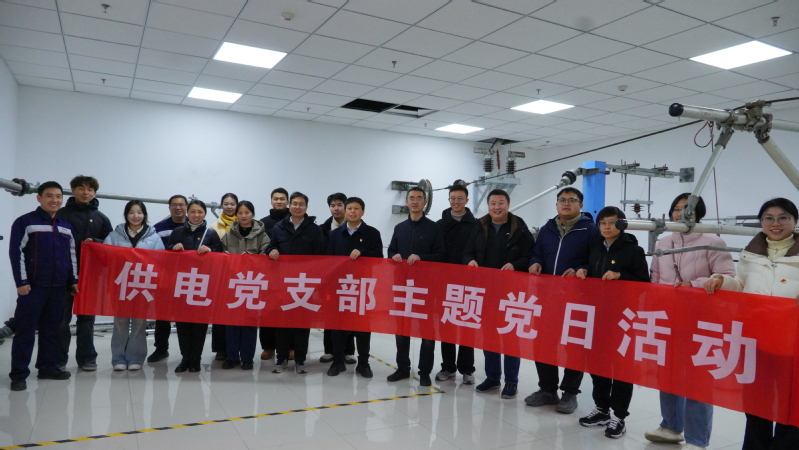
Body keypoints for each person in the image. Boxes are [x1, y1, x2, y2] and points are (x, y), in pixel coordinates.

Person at [704, 198, 799, 450]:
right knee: (757, 403)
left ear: (794, 221)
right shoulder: (751, 253)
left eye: (783, 217)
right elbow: (742, 285)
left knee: (792, 404)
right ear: (761, 222)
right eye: (769, 218)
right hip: (757, 341)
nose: (776, 223)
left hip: (793, 344)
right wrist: (722, 281)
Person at [644, 194, 735, 450]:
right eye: (676, 209)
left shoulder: (713, 241)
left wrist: (693, 285)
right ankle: (671, 426)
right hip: (669, 317)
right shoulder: (663, 241)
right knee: (668, 374)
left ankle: (697, 439)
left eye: (687, 209)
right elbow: (655, 278)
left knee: (698, 379)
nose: (680, 214)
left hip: (701, 320)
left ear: (699, 213)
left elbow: (727, 277)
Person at [575, 206, 649, 439]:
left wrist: (620, 276)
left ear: (621, 224)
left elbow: (644, 283)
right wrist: (583, 270)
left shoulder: (634, 250)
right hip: (598, 315)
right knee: (598, 363)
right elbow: (592, 269)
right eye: (603, 223)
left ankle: (619, 415)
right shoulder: (596, 247)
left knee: (621, 367)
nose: (607, 227)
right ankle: (602, 408)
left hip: (623, 318)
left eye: (612, 223)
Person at [525, 187, 600, 414]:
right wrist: (535, 262)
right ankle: (548, 389)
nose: (566, 203)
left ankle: (569, 393)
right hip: (547, 297)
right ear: (556, 204)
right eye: (562, 200)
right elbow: (537, 252)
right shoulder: (547, 229)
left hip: (577, 299)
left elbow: (596, 260)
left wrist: (581, 269)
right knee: (544, 344)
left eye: (571, 200)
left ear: (581, 205)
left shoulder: (590, 230)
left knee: (573, 346)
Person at [463, 189, 534, 400]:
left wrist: (516, 265)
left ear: (508, 204)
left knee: (510, 336)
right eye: (493, 203)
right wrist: (469, 261)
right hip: (485, 291)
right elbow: (466, 252)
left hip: (511, 293)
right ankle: (493, 377)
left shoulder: (520, 228)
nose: (497, 207)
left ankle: (511, 381)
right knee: (489, 336)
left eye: (501, 203)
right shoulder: (479, 226)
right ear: (488, 206)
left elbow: (530, 256)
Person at [8, 181, 77, 391]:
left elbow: (71, 256)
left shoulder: (66, 227)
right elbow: (16, 253)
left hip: (58, 287)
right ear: (39, 198)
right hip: (33, 287)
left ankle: (47, 368)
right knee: (25, 330)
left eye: (58, 196)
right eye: (49, 196)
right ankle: (19, 374)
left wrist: (73, 280)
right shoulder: (26, 222)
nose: (54, 200)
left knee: (52, 330)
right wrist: (21, 282)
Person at [386, 187, 446, 386]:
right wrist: (393, 256)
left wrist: (422, 258)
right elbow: (391, 251)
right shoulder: (399, 228)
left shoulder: (434, 228)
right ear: (406, 202)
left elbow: (441, 255)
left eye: (419, 198)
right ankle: (402, 368)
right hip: (402, 288)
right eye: (411, 198)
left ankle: (425, 372)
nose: (415, 201)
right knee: (402, 330)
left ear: (425, 202)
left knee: (427, 332)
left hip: (425, 289)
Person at [57, 175, 112, 371]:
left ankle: (87, 358)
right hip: (63, 275)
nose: (85, 192)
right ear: (73, 190)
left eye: (90, 189)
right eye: (81, 188)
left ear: (95, 193)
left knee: (87, 319)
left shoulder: (101, 218)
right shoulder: (61, 214)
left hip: (91, 276)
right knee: (61, 319)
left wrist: (96, 242)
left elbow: (110, 246)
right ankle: (58, 359)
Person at [266, 192, 325, 374]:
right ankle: (281, 359)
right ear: (289, 206)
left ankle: (300, 360)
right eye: (294, 204)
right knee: (282, 323)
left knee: (302, 324)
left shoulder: (314, 230)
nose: (297, 207)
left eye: (301, 204)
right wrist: (272, 250)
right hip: (283, 284)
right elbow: (271, 246)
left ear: (306, 207)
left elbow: (320, 257)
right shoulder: (279, 227)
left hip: (305, 284)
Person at [103, 200, 165, 371]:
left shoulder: (154, 237)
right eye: (131, 212)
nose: (135, 216)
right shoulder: (114, 235)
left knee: (139, 323)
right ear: (126, 215)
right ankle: (118, 359)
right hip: (120, 285)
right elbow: (106, 256)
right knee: (120, 322)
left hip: (142, 285)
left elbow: (160, 261)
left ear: (144, 215)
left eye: (139, 212)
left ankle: (136, 358)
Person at [325, 197, 383, 378]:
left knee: (363, 328)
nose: (352, 211)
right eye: (349, 208)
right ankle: (338, 361)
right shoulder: (336, 234)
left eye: (356, 208)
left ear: (362, 212)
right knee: (338, 326)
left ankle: (363, 364)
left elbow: (379, 258)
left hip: (363, 287)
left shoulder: (372, 233)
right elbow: (329, 260)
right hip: (341, 287)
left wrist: (363, 252)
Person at [167, 200, 223, 373]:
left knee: (199, 324)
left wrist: (211, 251)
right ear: (187, 213)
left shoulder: (211, 233)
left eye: (200, 212)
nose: (196, 215)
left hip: (202, 285)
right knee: (182, 324)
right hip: (182, 284)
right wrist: (173, 247)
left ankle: (196, 359)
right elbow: (166, 254)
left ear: (204, 213)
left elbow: (221, 256)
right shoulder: (177, 232)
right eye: (192, 211)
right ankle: (185, 358)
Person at [435, 184, 478, 385]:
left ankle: (467, 369)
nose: (456, 202)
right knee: (447, 326)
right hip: (445, 284)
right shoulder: (439, 225)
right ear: (449, 200)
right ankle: (448, 367)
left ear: (467, 201)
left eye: (460, 198)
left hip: (469, 284)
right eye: (453, 198)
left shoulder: (476, 225)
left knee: (467, 326)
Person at [220, 201, 270, 371]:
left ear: (252, 214)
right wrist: (223, 256)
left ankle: (247, 358)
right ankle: (232, 356)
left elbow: (266, 258)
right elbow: (220, 256)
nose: (243, 216)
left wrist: (252, 258)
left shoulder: (263, 236)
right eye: (240, 213)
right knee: (231, 322)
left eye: (247, 212)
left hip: (253, 284)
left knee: (249, 322)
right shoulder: (228, 235)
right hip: (232, 284)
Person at [148, 194, 188, 363]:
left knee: (184, 317)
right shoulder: (158, 228)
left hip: (187, 279)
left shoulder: (194, 226)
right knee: (162, 315)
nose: (178, 208)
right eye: (174, 205)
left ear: (186, 207)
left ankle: (187, 353)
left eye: (181, 204)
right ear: (169, 207)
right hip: (164, 277)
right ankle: (161, 349)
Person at [319, 192, 356, 364]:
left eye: (340, 205)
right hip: (330, 279)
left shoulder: (355, 227)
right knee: (330, 314)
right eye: (333, 205)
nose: (336, 208)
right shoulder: (323, 229)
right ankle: (329, 350)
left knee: (349, 314)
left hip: (351, 279)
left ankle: (349, 351)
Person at [258, 188, 290, 362]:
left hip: (290, 275)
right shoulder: (263, 223)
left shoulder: (294, 220)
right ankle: (268, 347)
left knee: (290, 309)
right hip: (268, 274)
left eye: (282, 199)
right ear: (271, 201)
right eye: (276, 199)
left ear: (287, 202)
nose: (279, 201)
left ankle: (291, 347)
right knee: (268, 311)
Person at [208, 193, 239, 362]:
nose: (229, 207)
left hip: (241, 276)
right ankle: (220, 349)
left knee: (237, 313)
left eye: (232, 204)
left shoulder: (244, 224)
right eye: (226, 204)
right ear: (221, 206)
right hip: (221, 276)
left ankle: (236, 348)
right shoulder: (214, 227)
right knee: (220, 314)